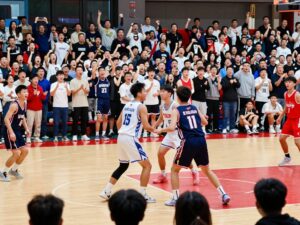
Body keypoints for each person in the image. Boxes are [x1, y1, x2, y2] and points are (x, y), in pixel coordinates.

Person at [155, 86, 230, 206]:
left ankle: (175, 198)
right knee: (207, 170)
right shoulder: (194, 108)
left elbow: (171, 127)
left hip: (188, 141)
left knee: (174, 170)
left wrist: (160, 130)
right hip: (201, 140)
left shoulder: (177, 110)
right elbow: (205, 122)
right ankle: (223, 194)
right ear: (189, 96)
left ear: (177, 97)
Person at [99, 83, 156, 203]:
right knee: (147, 166)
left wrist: (124, 131)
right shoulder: (142, 107)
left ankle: (106, 190)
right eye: (144, 91)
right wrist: (158, 131)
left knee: (123, 165)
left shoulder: (127, 105)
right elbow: (146, 126)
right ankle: (143, 194)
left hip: (121, 137)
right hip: (130, 138)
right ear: (139, 93)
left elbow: (118, 122)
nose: (146, 93)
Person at [152, 85, 199, 185]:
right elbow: (161, 118)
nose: (161, 93)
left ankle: (194, 172)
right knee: (160, 154)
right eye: (160, 91)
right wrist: (153, 127)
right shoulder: (163, 105)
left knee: (183, 158)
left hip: (178, 134)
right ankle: (163, 175)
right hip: (169, 135)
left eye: (163, 91)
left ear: (169, 93)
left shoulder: (175, 106)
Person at [0, 85, 30, 182]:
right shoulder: (14, 105)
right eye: (24, 92)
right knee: (16, 153)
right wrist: (11, 132)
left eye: (27, 92)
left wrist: (27, 128)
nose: (26, 93)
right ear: (18, 94)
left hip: (17, 130)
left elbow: (23, 117)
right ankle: (3, 172)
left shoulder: (24, 103)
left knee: (25, 151)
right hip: (10, 130)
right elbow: (6, 119)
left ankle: (14, 170)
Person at [277, 76, 300, 166]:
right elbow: (286, 106)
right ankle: (287, 157)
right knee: (281, 139)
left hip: (297, 119)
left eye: (290, 82)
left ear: (294, 84)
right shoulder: (285, 94)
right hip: (289, 119)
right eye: (286, 82)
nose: (287, 83)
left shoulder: (297, 95)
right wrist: (280, 116)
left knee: (297, 142)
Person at [70, 66, 90, 141]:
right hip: (76, 104)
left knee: (84, 120)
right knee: (75, 120)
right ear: (76, 72)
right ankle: (74, 135)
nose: (80, 71)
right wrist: (79, 88)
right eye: (78, 70)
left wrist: (83, 89)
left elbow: (87, 91)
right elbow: (72, 92)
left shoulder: (85, 81)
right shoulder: (72, 81)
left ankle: (83, 134)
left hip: (84, 103)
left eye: (81, 70)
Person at [50, 71, 71, 142]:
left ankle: (64, 136)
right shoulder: (53, 84)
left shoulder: (66, 84)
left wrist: (66, 88)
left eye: (62, 75)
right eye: (59, 75)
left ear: (64, 76)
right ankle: (55, 136)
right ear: (57, 76)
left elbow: (69, 94)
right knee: (56, 122)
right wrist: (56, 87)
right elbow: (52, 94)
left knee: (65, 122)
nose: (61, 76)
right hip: (56, 106)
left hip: (65, 106)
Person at [26, 75, 46, 143]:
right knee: (29, 124)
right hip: (30, 109)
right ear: (31, 80)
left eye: (37, 79)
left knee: (38, 124)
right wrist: (33, 94)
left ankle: (37, 137)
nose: (36, 80)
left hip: (39, 109)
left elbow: (42, 99)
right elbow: (27, 99)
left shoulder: (40, 88)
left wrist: (44, 95)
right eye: (34, 78)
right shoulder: (28, 88)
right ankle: (28, 137)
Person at [143, 67, 160, 138]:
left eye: (153, 72)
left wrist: (157, 94)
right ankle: (145, 132)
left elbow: (159, 91)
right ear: (148, 73)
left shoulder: (157, 82)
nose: (152, 73)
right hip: (147, 102)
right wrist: (150, 86)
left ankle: (153, 132)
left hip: (155, 102)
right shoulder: (145, 82)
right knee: (146, 118)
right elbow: (144, 91)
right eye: (150, 72)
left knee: (154, 118)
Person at [95, 67, 111, 140]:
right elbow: (93, 72)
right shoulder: (96, 79)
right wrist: (97, 63)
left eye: (103, 70)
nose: (102, 71)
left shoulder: (107, 79)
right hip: (99, 100)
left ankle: (104, 134)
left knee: (105, 118)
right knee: (99, 118)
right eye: (100, 70)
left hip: (107, 100)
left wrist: (110, 58)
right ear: (98, 72)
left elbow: (113, 69)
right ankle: (97, 135)